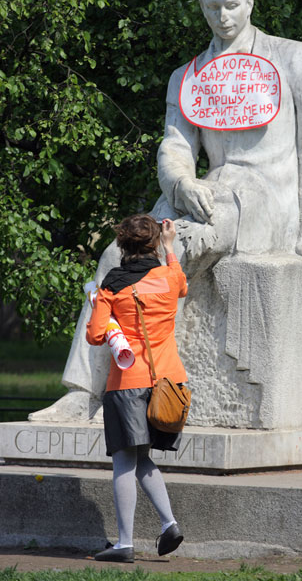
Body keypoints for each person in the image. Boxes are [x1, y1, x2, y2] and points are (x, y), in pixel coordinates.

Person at [29, 0, 302, 422]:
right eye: (212, 7)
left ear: (251, 0)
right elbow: (174, 146)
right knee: (114, 255)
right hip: (207, 192)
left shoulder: (292, 58)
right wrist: (181, 182)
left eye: (232, 5)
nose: (223, 17)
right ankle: (84, 392)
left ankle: (141, 384)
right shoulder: (189, 77)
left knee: (179, 247)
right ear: (201, 5)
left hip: (264, 203)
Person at [86, 214, 187, 562]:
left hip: (127, 383)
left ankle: (125, 544)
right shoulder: (170, 277)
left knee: (124, 461)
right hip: (168, 383)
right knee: (142, 456)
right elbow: (182, 285)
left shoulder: (112, 285)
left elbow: (95, 335)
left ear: (122, 245)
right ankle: (169, 524)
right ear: (155, 243)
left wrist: (98, 307)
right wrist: (170, 247)